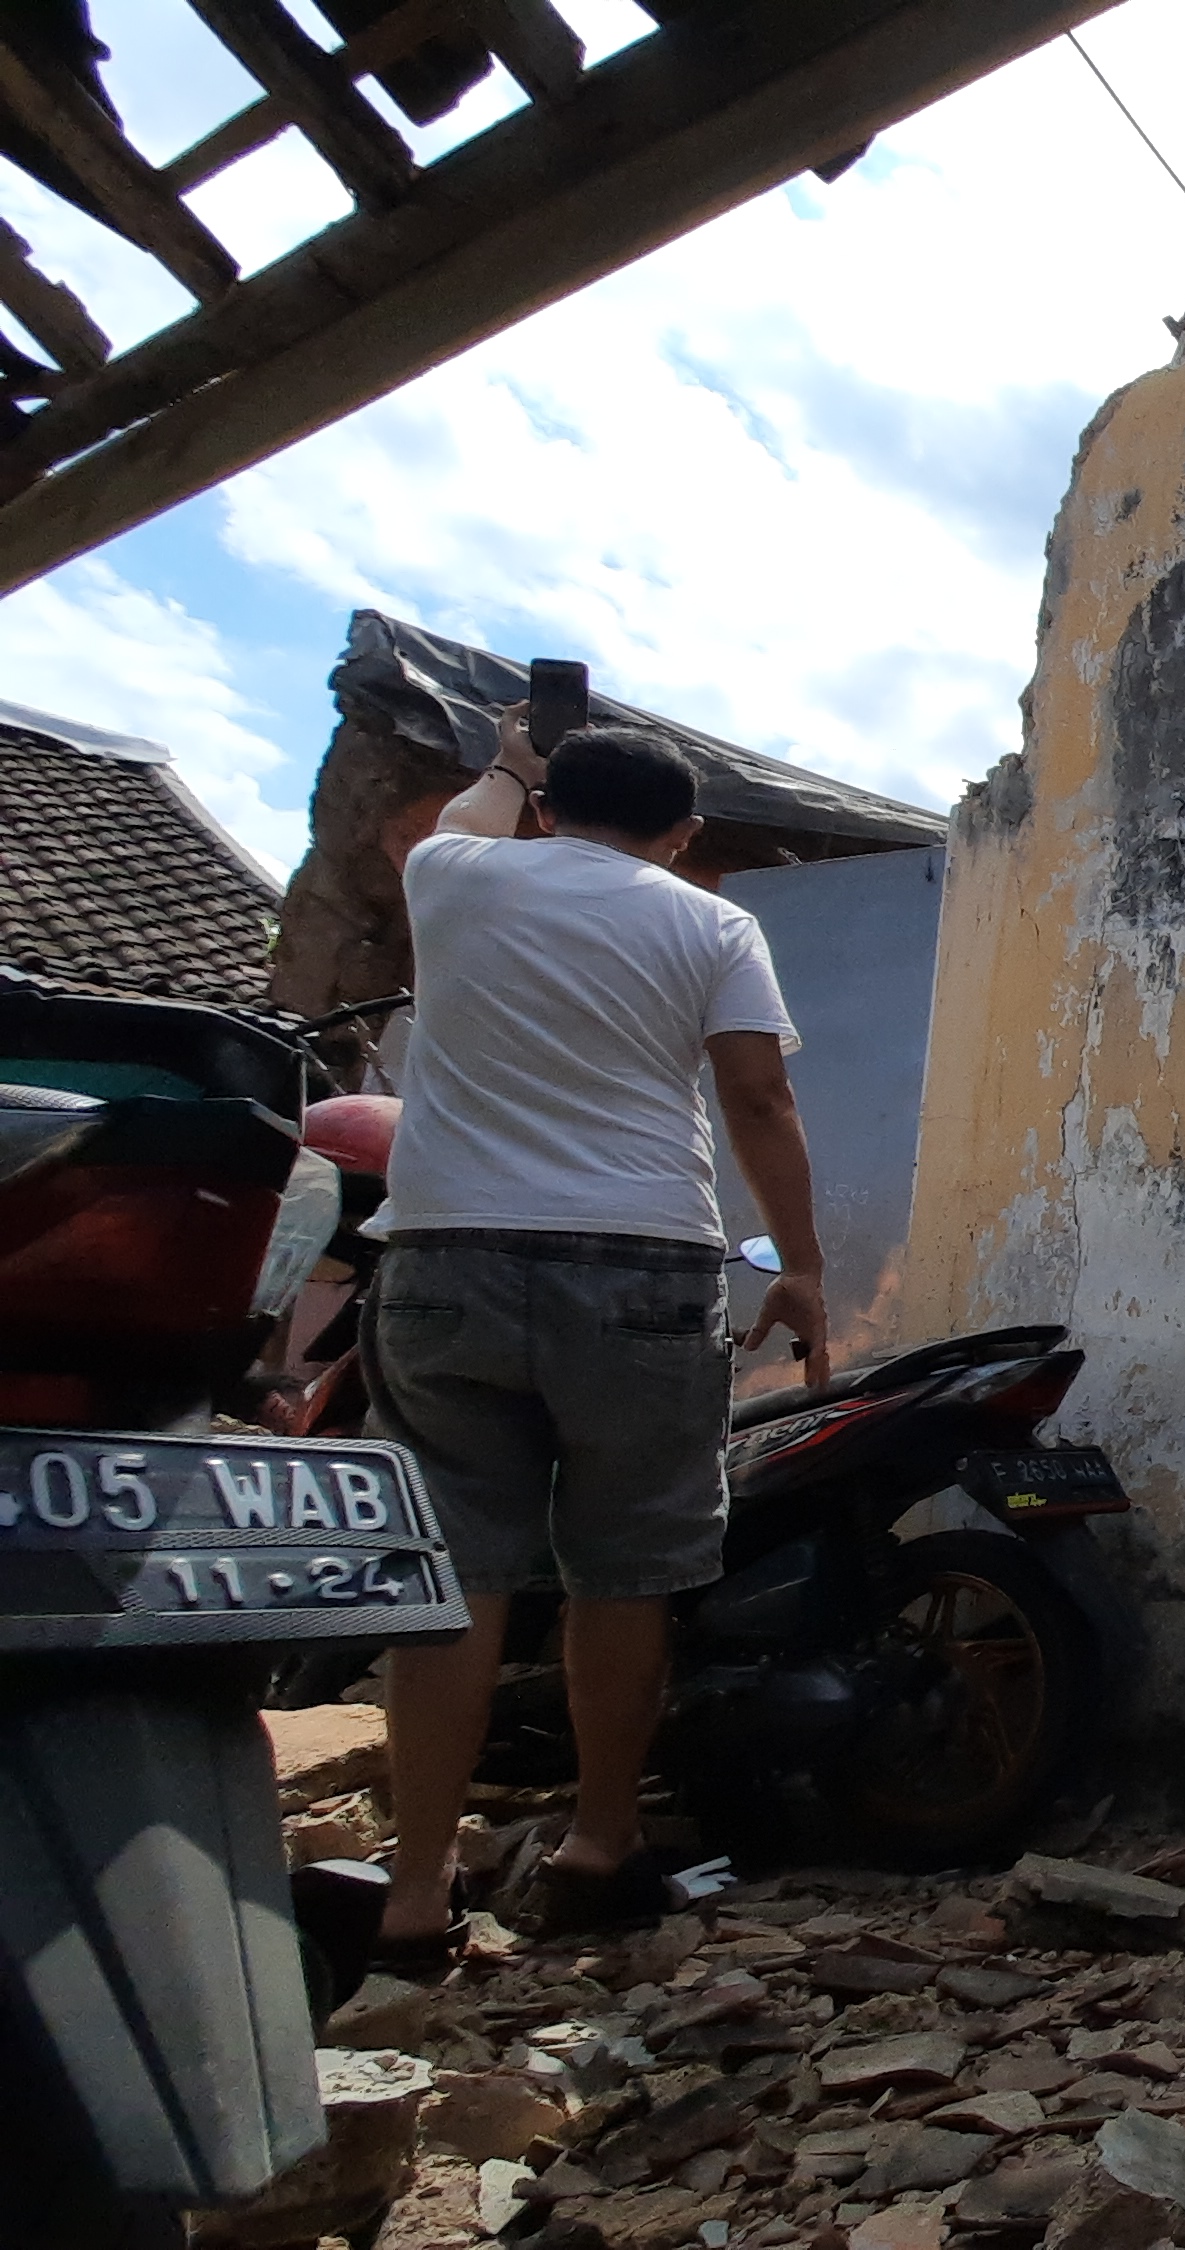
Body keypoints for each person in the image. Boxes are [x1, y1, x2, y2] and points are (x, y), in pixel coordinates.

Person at [368, 711, 829, 1949]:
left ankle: (416, 1895)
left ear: (552, 806)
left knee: (455, 1573)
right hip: (639, 1263)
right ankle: (599, 1842)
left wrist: (511, 767)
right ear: (680, 837)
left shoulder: (453, 872)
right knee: (623, 1569)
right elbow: (758, 1094)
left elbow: (469, 815)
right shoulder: (711, 922)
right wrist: (803, 1269)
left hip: (446, 1254)